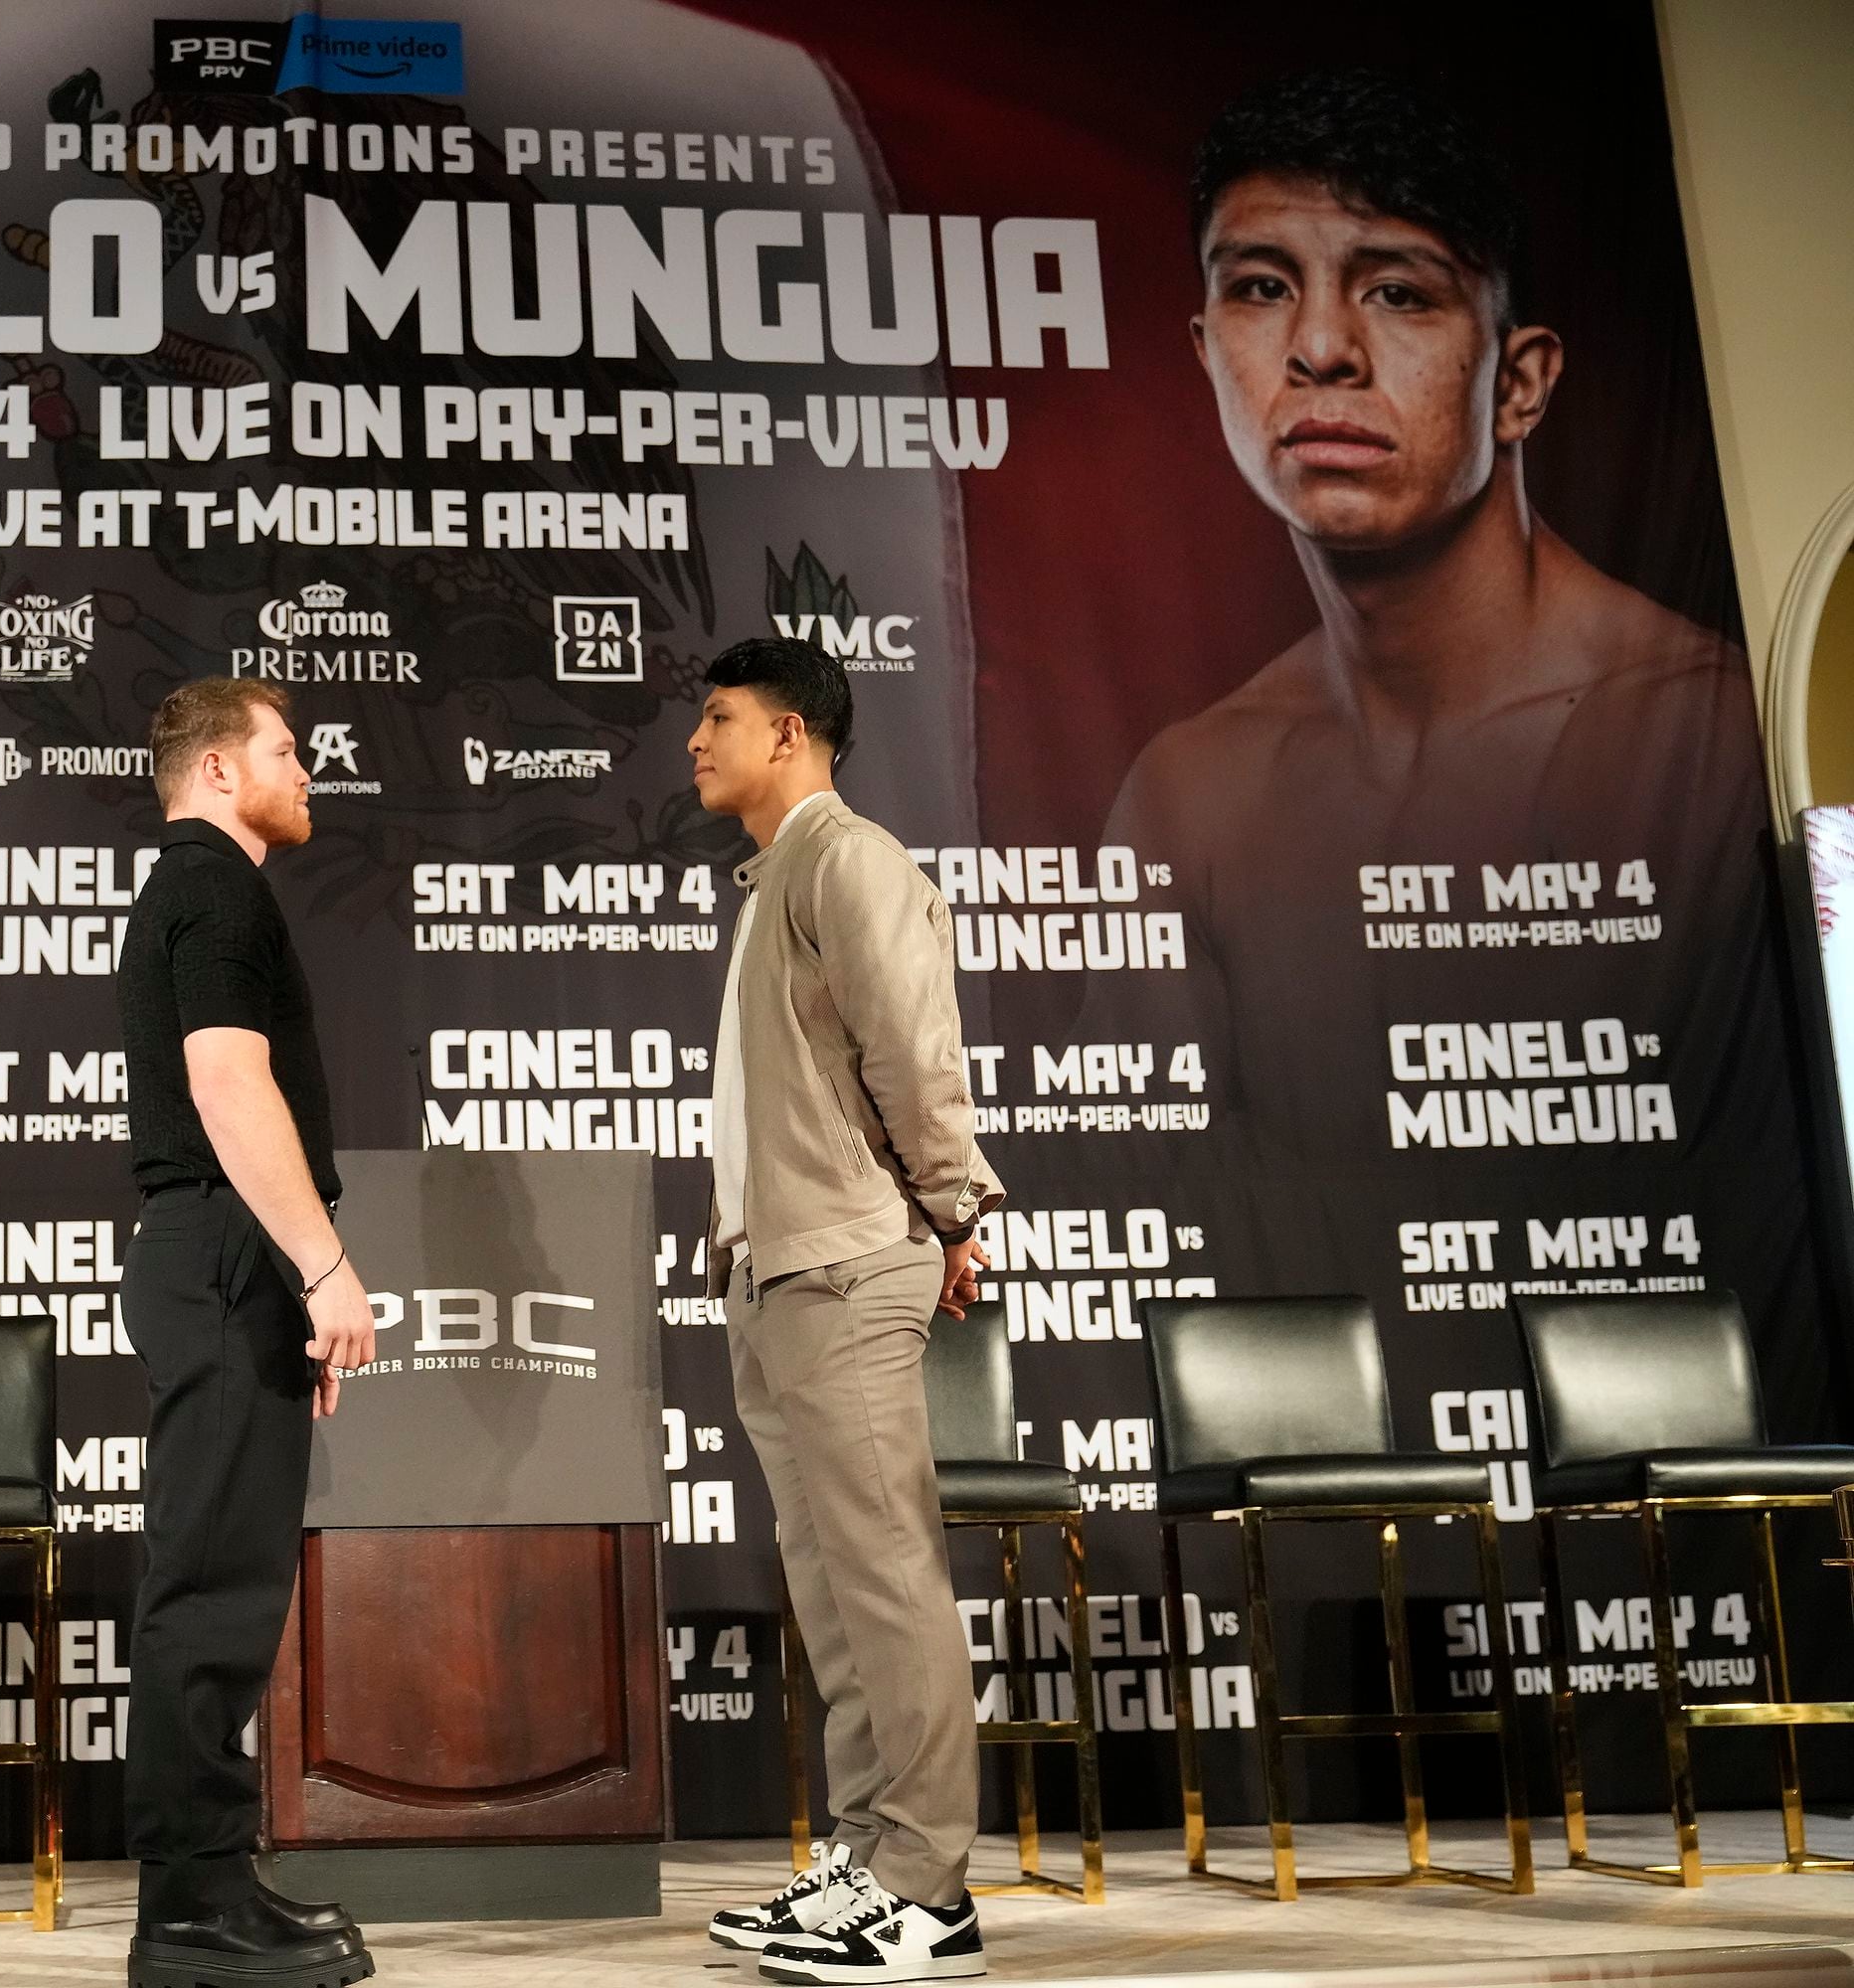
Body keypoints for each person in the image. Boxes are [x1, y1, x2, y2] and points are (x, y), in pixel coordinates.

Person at [1091, 69, 1774, 1159]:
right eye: (1262, 287)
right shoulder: (1191, 796)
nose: (1321, 349)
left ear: (1521, 382)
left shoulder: (1700, 741)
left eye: (1398, 292)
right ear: (1206, 354)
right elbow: (1164, 1214)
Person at [688, 637, 999, 1985]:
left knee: (885, 1577)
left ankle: (931, 1890)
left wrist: (955, 1210)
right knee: (831, 1588)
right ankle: (868, 1860)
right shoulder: (772, 880)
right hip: (776, 1271)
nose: (695, 743)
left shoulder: (846, 858)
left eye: (720, 719)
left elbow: (913, 1050)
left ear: (794, 734)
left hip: (848, 1263)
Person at [114, 679, 376, 1988]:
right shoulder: (215, 884)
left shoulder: (202, 883)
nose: (308, 770)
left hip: (223, 1260)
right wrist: (322, 1266)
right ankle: (187, 1916)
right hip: (225, 1252)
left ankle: (216, 1881)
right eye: (287, 750)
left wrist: (295, 1274)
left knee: (227, 1577)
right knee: (209, 1586)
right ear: (219, 769)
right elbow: (227, 1082)